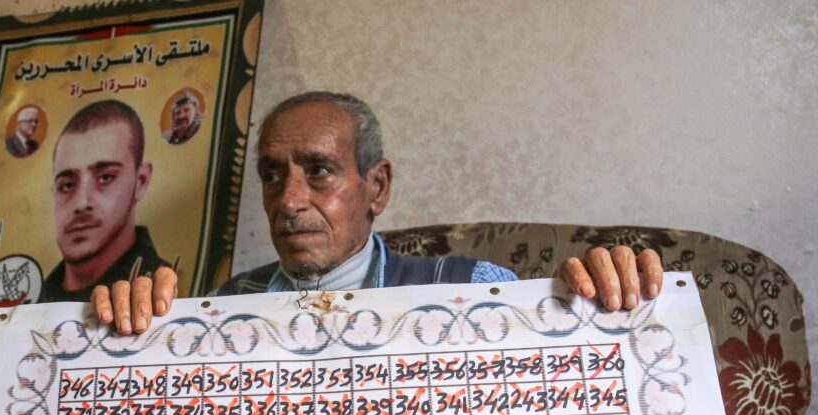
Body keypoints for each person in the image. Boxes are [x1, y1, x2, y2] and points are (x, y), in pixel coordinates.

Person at [91, 91, 662, 334]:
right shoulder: (216, 312)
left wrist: (604, 304)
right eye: (272, 174)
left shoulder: (475, 289)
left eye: (318, 171)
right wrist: (127, 331)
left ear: (377, 187)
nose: (288, 201)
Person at [40, 99, 169, 303]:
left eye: (105, 177)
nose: (81, 203)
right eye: (67, 185)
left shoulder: (174, 297)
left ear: (141, 182)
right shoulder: (30, 304)